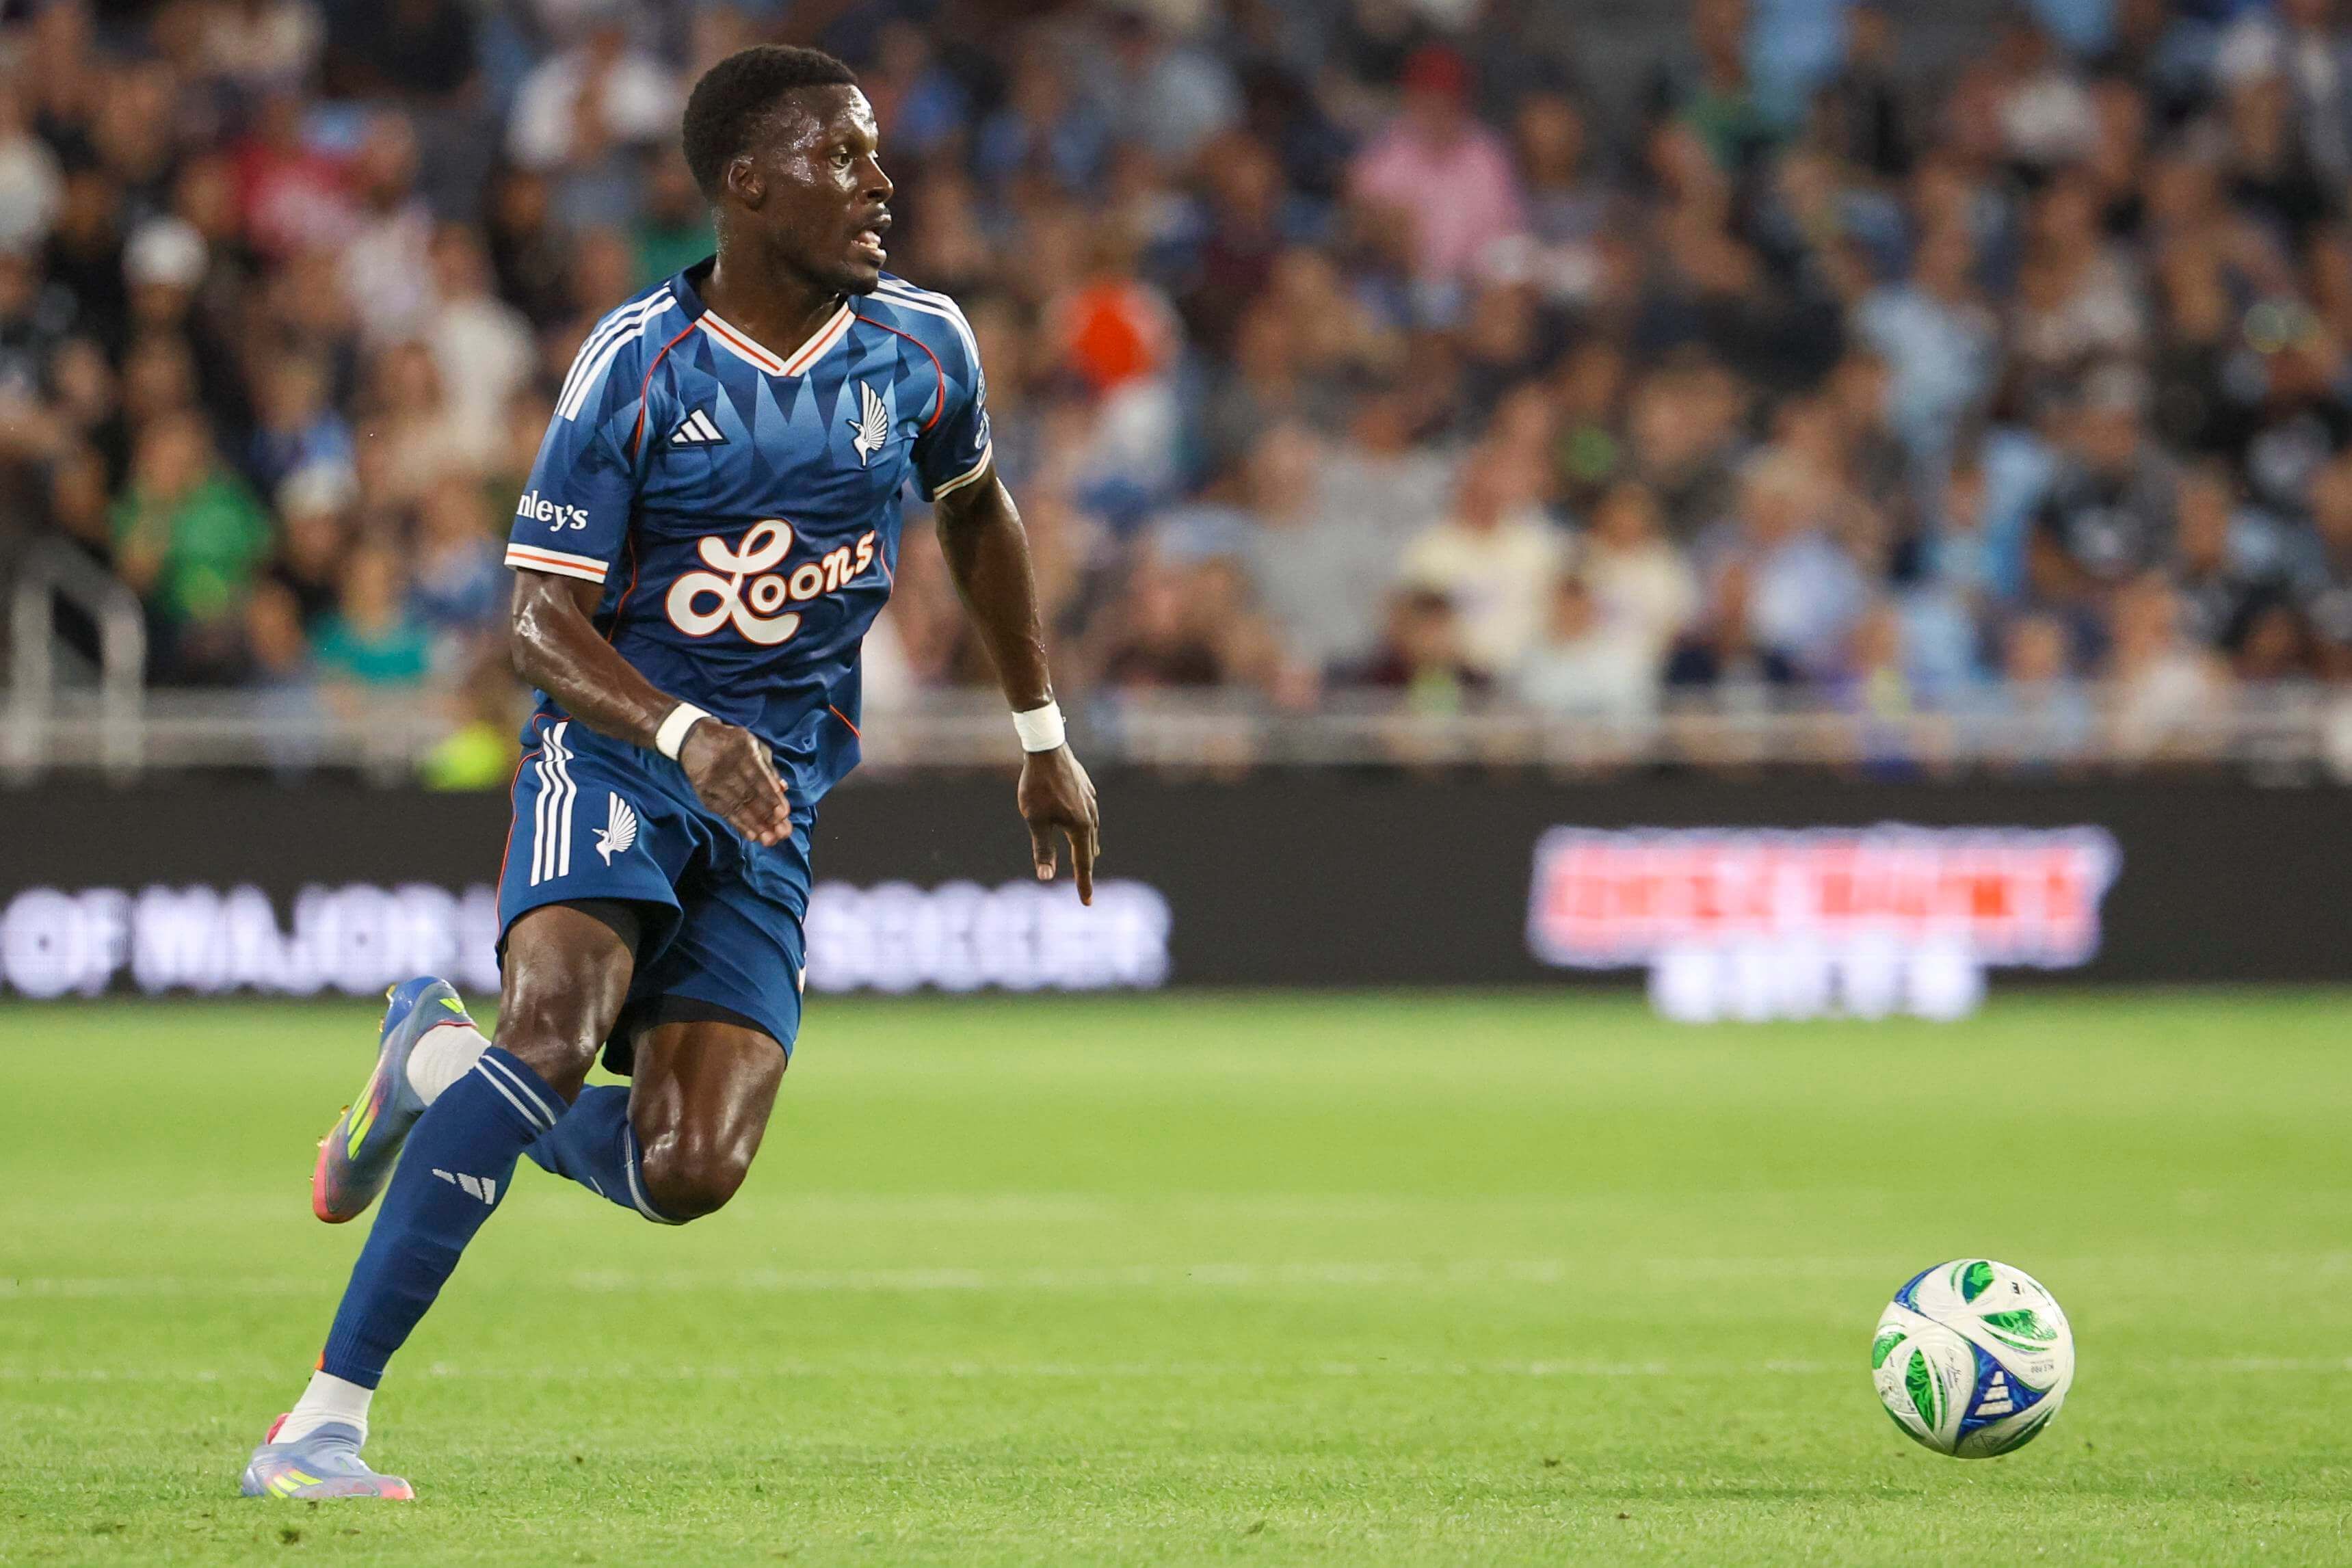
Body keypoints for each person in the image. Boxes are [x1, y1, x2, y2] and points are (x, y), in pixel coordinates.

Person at [239, 46, 1099, 1501]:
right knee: (558, 1026)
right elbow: (531, 614)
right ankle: (320, 1422)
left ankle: (432, 1061)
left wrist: (1040, 731)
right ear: (746, 185)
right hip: (622, 746)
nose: (880, 183)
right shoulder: (638, 361)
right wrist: (680, 732)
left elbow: (977, 510)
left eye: (878, 155)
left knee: (688, 1168)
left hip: (779, 788)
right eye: (844, 157)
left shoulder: (923, 346)